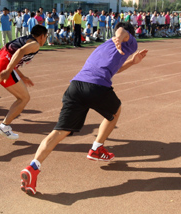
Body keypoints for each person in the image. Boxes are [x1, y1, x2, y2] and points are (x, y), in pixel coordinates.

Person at [20, 23, 148, 195]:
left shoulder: (103, 46)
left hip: (75, 86)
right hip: (96, 87)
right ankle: (96, 148)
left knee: (59, 131)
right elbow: (123, 32)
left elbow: (112, 70)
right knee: (115, 111)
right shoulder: (130, 43)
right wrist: (120, 35)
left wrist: (132, 62)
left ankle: (33, 166)